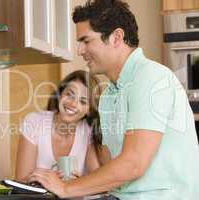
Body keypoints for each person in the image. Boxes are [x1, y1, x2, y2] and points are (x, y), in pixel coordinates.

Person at [27, 0, 199, 199]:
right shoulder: (109, 94)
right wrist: (74, 183)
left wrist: (66, 189)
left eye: (86, 41)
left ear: (116, 37)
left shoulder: (151, 78)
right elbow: (112, 167)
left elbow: (133, 164)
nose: (80, 50)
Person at [16, 70, 102, 182]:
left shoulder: (88, 131)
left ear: (89, 111)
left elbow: (97, 182)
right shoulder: (34, 122)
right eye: (69, 94)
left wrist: (79, 183)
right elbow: (21, 180)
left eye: (83, 101)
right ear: (60, 94)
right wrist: (50, 181)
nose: (73, 104)